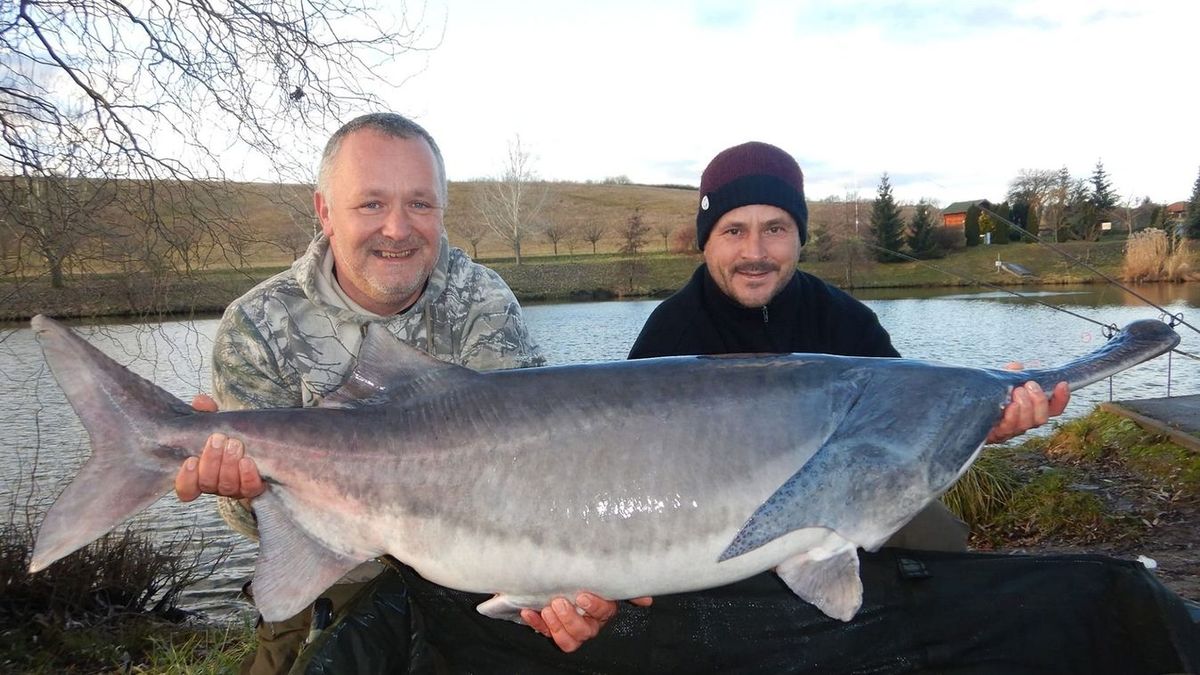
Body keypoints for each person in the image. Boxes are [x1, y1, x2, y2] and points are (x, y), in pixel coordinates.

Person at [172, 112, 623, 672]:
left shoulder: (481, 300)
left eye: (420, 204)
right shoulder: (259, 324)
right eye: (371, 204)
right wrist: (243, 492)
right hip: (333, 576)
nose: (397, 228)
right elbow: (256, 527)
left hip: (469, 564)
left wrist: (560, 583)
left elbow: (530, 473)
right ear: (325, 212)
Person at [627, 141, 1069, 550]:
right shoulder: (669, 333)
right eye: (734, 231)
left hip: (843, 496)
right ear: (706, 240)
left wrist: (981, 422)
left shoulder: (845, 320)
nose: (755, 252)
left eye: (776, 228)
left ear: (800, 236)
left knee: (942, 541)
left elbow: (907, 420)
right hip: (706, 510)